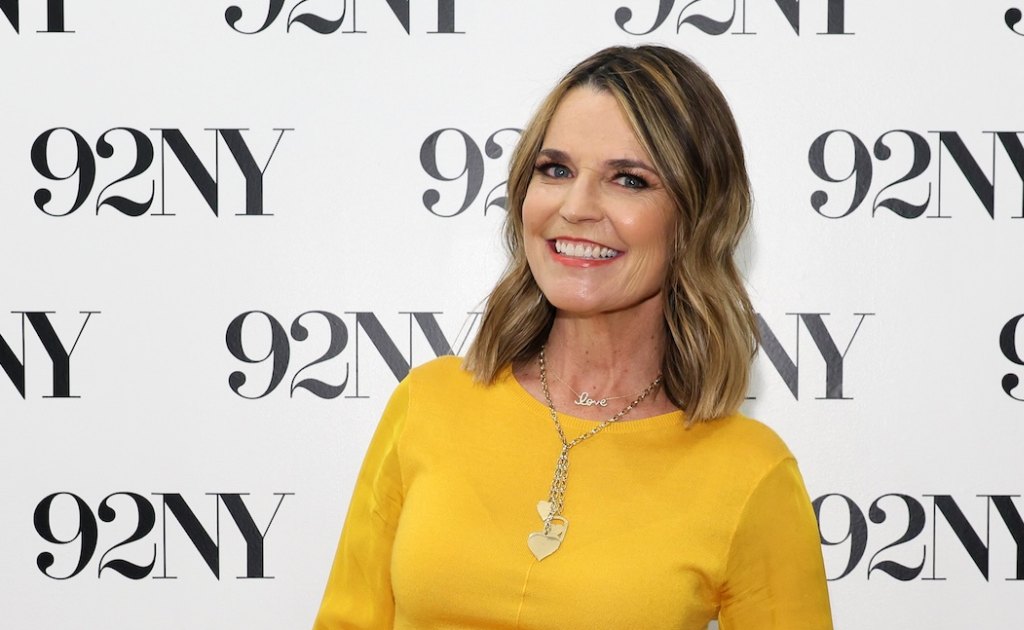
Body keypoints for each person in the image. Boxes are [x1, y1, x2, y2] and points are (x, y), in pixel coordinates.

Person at [313, 45, 833, 629]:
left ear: (696, 218)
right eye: (555, 170)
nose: (577, 207)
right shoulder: (428, 403)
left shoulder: (750, 473)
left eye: (629, 179)